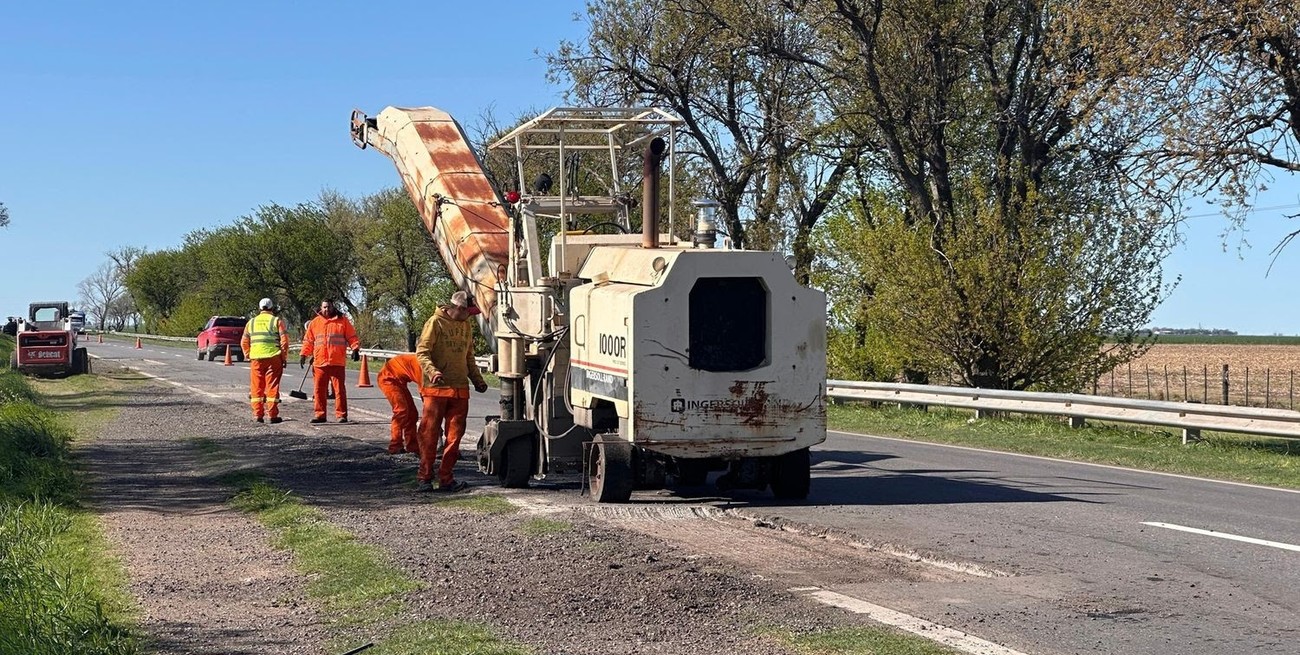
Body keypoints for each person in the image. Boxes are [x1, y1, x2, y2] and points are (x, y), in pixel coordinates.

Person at [414, 290, 488, 492]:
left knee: (454, 437)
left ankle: (446, 478)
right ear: (459, 308)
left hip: (460, 390)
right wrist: (433, 371)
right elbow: (422, 352)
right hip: (436, 390)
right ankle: (425, 478)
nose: (471, 317)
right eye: (469, 313)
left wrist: (477, 380)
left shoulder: (465, 325)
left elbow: (469, 357)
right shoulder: (435, 323)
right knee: (429, 435)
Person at [300, 299, 360, 423]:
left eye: (329, 307)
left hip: (336, 361)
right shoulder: (315, 323)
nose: (327, 309)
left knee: (339, 390)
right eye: (324, 307)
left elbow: (351, 336)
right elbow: (308, 341)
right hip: (320, 362)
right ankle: (320, 415)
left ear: (333, 307)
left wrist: (355, 349)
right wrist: (303, 354)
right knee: (319, 390)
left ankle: (341, 415)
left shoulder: (342, 321)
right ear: (321, 308)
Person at [241, 298, 290, 423]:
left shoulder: (251, 322)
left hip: (256, 358)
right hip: (274, 357)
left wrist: (248, 354)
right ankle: (272, 415)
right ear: (272, 308)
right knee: (272, 386)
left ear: (259, 309)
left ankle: (258, 415)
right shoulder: (276, 321)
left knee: (257, 387)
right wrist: (283, 357)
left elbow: (244, 341)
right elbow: (284, 341)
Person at [378, 353, 424, 454]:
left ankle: (412, 447)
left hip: (399, 380)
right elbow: (425, 394)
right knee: (401, 411)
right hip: (388, 379)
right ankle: (395, 446)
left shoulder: (427, 362)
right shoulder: (422, 366)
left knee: (412, 414)